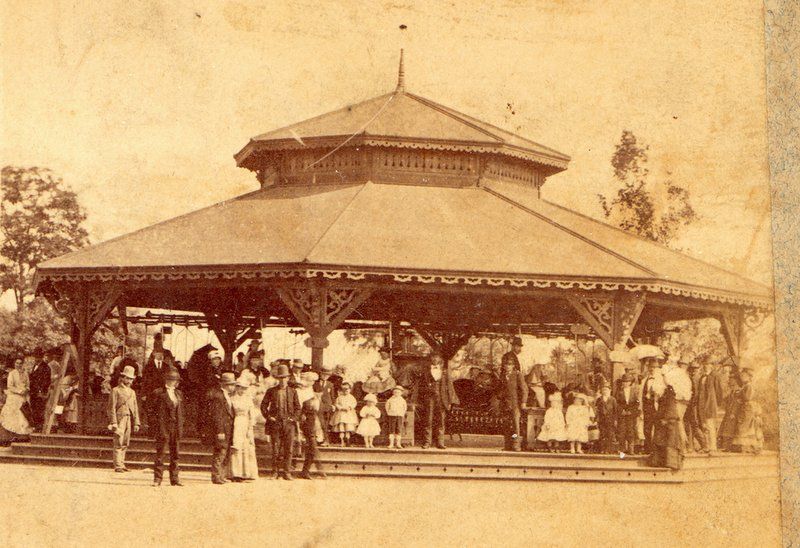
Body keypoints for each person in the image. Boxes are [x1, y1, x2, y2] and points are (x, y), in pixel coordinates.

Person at [261, 364, 301, 480]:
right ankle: (275, 472)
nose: (283, 380)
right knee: (275, 449)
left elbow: (298, 408)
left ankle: (287, 472)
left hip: (289, 424)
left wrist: (293, 418)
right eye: (280, 378)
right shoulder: (271, 391)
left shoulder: (293, 392)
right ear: (277, 379)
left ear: (288, 378)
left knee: (288, 449)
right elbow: (263, 405)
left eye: (285, 378)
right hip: (275, 423)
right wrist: (269, 417)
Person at [151, 367, 185, 487]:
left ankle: (174, 479)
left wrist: (180, 426)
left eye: (176, 380)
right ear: (167, 381)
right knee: (161, 454)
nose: (176, 382)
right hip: (163, 428)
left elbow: (180, 412)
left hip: (175, 428)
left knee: (175, 454)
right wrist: (157, 427)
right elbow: (152, 412)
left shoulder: (178, 393)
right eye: (173, 380)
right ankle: (157, 479)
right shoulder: (158, 393)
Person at [418, 353, 459, 449]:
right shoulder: (426, 372)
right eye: (433, 359)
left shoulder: (444, 372)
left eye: (437, 359)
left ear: (440, 361)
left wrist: (450, 401)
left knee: (441, 421)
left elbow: (450, 387)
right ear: (431, 361)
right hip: (429, 399)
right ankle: (427, 442)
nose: (435, 361)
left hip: (441, 399)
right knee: (428, 420)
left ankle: (440, 443)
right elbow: (421, 387)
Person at [107, 365, 140, 473]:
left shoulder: (132, 392)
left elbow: (135, 408)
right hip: (119, 419)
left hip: (128, 419)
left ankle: (122, 463)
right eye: (127, 378)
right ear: (122, 378)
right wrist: (114, 422)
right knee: (118, 442)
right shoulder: (115, 390)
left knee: (125, 442)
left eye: (131, 379)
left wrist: (136, 423)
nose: (129, 380)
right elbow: (111, 407)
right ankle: (118, 465)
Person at [500, 337, 528, 451]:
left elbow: (524, 389)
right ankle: (507, 444)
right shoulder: (503, 376)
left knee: (516, 425)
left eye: (510, 365)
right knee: (507, 424)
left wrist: (523, 402)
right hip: (505, 403)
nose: (507, 366)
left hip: (515, 403)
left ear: (513, 366)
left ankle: (516, 444)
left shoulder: (517, 374)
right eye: (506, 365)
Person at [208, 372, 236, 484]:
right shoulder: (218, 396)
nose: (232, 387)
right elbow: (217, 415)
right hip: (222, 430)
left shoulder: (227, 396)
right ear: (224, 384)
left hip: (229, 429)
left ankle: (222, 475)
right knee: (220, 453)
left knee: (226, 453)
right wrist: (219, 430)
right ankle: (216, 476)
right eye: (230, 384)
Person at [229, 378, 258, 482]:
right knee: (236, 447)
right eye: (240, 388)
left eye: (244, 388)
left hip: (245, 423)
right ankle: (236, 473)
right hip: (235, 423)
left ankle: (247, 473)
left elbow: (252, 414)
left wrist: (250, 425)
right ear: (237, 388)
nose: (242, 390)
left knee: (247, 447)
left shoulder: (248, 399)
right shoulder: (232, 398)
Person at [650, 383, 684, 470]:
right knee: (659, 441)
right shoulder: (662, 397)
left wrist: (666, 419)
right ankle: (659, 462)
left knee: (670, 442)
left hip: (669, 423)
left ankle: (671, 463)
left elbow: (671, 409)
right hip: (662, 423)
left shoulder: (669, 396)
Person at [731, 367, 763, 454]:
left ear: (749, 377)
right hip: (745, 408)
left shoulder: (749, 386)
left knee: (745, 427)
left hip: (748, 408)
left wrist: (740, 394)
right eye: (742, 375)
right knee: (743, 426)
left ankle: (748, 446)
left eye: (744, 376)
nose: (742, 377)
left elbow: (748, 398)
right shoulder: (745, 386)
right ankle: (744, 446)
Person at [0, 358, 32, 440]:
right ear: (14, 364)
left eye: (20, 363)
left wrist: (26, 390)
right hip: (14, 396)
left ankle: (22, 436)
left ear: (23, 364)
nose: (18, 365)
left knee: (24, 414)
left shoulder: (25, 373)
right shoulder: (12, 373)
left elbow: (28, 384)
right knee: (14, 415)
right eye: (17, 363)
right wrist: (19, 391)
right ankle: (11, 436)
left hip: (24, 396)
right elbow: (10, 386)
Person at [298, 386, 326, 480]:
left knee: (312, 451)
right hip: (309, 429)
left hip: (319, 429)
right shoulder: (307, 402)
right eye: (316, 392)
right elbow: (302, 417)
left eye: (320, 392)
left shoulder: (322, 403)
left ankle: (305, 472)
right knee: (313, 449)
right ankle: (318, 471)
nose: (318, 394)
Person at [697, 360, 724, 454]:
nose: (705, 366)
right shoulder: (702, 377)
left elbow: (719, 391)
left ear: (712, 365)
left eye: (708, 364)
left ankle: (713, 447)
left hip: (710, 404)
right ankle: (706, 446)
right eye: (704, 364)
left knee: (710, 425)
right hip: (701, 404)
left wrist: (716, 404)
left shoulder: (715, 376)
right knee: (703, 424)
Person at [639, 356, 664, 453]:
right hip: (646, 407)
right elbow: (640, 394)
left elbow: (663, 393)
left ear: (657, 369)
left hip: (657, 407)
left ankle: (658, 449)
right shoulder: (645, 380)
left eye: (654, 367)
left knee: (658, 428)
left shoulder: (661, 380)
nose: (652, 369)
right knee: (647, 428)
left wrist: (656, 392)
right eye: (650, 367)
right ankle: (648, 448)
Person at [684, 361, 707, 453]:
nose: (693, 371)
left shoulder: (696, 379)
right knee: (690, 426)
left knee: (694, 426)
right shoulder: (693, 378)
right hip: (691, 405)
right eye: (692, 370)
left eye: (695, 370)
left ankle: (704, 445)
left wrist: (692, 404)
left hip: (693, 406)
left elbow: (697, 394)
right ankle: (692, 446)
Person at [615, 374, 639, 454]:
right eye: (624, 382)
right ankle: (622, 449)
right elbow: (616, 403)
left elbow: (637, 403)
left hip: (631, 414)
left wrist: (631, 411)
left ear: (630, 382)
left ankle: (631, 449)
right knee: (621, 430)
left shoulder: (635, 392)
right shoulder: (619, 392)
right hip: (622, 414)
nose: (625, 383)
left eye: (627, 381)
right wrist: (622, 411)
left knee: (631, 431)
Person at [717, 373, 741, 451]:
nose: (730, 381)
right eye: (730, 379)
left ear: (736, 382)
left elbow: (737, 404)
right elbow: (726, 400)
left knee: (730, 429)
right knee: (725, 428)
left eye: (732, 380)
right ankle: (725, 446)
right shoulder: (732, 392)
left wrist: (733, 413)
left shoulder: (738, 392)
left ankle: (729, 446)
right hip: (728, 413)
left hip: (734, 414)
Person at [331, 381, 358, 447]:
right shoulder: (340, 397)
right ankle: (342, 442)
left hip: (348, 414)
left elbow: (354, 403)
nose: (346, 391)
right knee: (341, 429)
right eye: (344, 390)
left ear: (350, 390)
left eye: (347, 390)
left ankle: (348, 441)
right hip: (341, 415)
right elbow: (336, 404)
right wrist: (341, 408)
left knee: (348, 428)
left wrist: (349, 407)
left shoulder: (351, 397)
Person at [29, 354, 52, 431]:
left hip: (39, 393)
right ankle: (36, 426)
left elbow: (46, 381)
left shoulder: (46, 367)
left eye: (38, 357)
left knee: (39, 409)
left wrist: (41, 391)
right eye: (35, 357)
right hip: (33, 392)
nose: (36, 359)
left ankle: (39, 427)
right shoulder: (34, 365)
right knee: (34, 409)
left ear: (41, 357)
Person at [314, 368, 336, 446]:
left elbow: (332, 396)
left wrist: (333, 405)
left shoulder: (330, 384)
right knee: (320, 423)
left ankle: (326, 440)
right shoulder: (315, 384)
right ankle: (320, 439)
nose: (325, 376)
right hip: (318, 405)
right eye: (323, 374)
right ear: (320, 374)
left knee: (326, 424)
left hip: (328, 406)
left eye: (327, 375)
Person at [56, 367, 80, 434]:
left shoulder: (70, 382)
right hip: (62, 397)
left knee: (64, 413)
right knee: (60, 411)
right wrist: (70, 389)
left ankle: (62, 426)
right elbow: (65, 395)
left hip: (64, 397)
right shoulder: (67, 380)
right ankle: (60, 426)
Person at [595, 385, 617, 453]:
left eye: (606, 390)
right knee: (602, 434)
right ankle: (602, 449)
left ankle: (609, 450)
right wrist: (597, 420)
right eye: (603, 390)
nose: (605, 391)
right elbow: (597, 410)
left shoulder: (613, 399)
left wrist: (615, 420)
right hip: (602, 419)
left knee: (610, 434)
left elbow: (615, 410)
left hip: (610, 419)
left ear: (610, 391)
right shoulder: (599, 399)